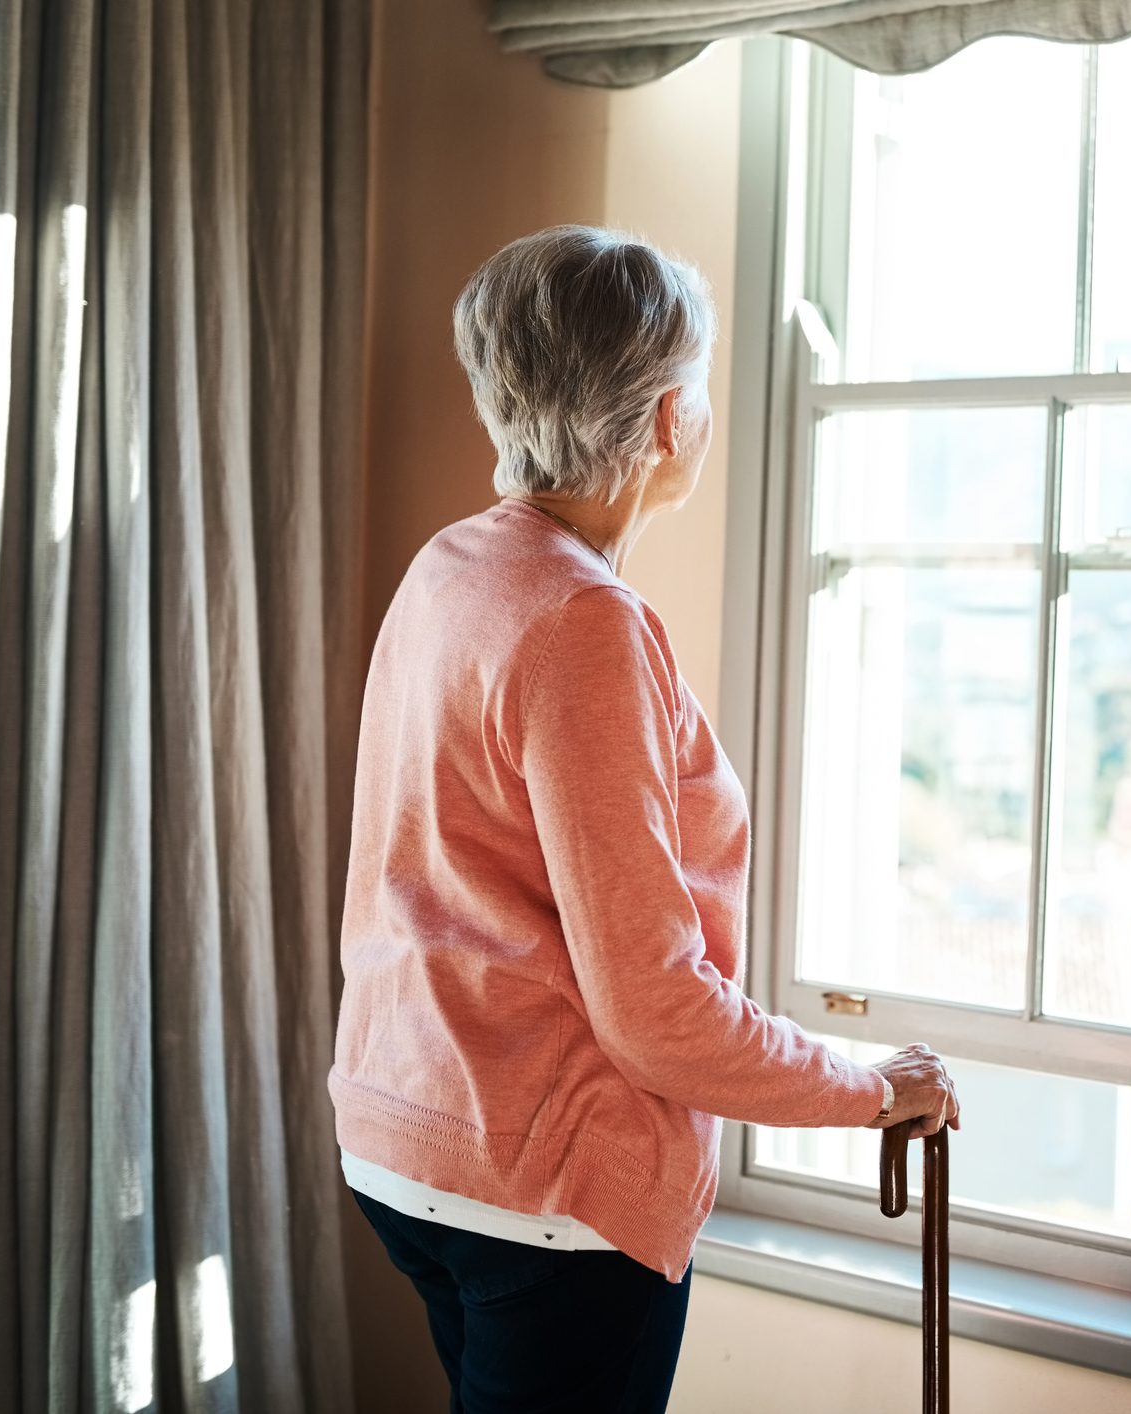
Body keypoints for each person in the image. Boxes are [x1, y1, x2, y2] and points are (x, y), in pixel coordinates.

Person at [329, 225, 958, 1413]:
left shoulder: (452, 566)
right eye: (704, 384)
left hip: (404, 1141)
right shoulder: (583, 624)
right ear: (671, 419)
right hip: (545, 1197)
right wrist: (873, 1087)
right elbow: (656, 1012)